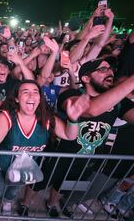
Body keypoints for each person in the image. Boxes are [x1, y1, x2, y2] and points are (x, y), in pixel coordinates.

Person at [35, 57, 134, 218]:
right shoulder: (71, 93)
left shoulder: (119, 101)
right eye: (102, 69)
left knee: (64, 187)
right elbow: (90, 110)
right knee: (39, 182)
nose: (109, 72)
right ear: (86, 78)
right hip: (61, 154)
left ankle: (51, 204)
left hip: (86, 159)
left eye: (110, 69)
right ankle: (25, 203)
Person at [0, 79, 90, 215]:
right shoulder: (7, 117)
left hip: (22, 167)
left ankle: (7, 202)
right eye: (25, 92)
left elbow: (70, 135)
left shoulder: (47, 118)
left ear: (40, 98)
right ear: (16, 98)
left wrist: (73, 119)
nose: (31, 96)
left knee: (14, 188)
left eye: (35, 92)